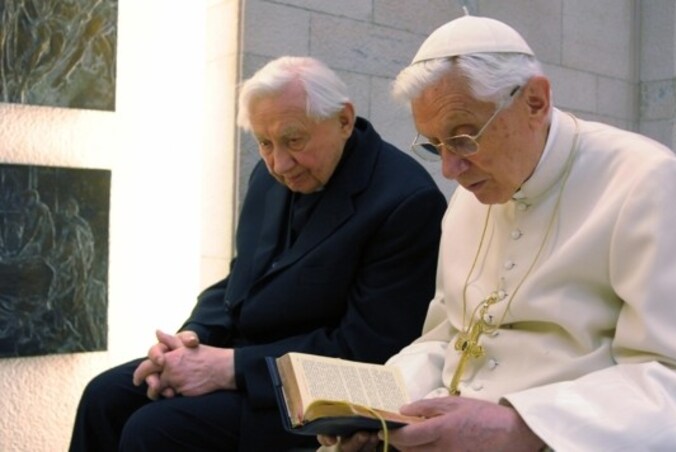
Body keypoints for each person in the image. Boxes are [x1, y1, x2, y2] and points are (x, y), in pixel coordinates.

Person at [321, 15, 676, 451]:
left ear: (534, 101)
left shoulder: (644, 181)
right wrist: (378, 405)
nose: (450, 170)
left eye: (463, 137)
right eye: (435, 145)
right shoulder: (466, 203)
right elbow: (445, 338)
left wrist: (524, 426)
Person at [69, 56, 447, 451]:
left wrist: (230, 369)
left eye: (294, 140)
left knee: (154, 429)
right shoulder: (270, 175)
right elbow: (239, 280)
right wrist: (189, 342)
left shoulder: (407, 201)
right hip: (240, 358)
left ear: (344, 121)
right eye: (265, 143)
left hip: (313, 401)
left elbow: (367, 348)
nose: (280, 164)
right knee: (104, 397)